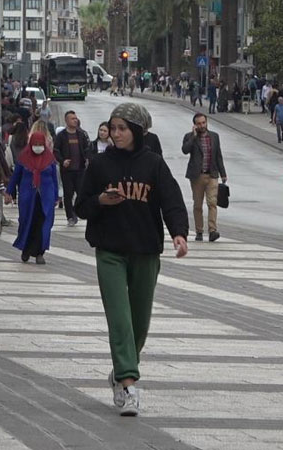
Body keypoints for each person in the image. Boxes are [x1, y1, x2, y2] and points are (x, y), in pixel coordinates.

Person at [75, 102, 189, 417]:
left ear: (136, 131)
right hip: (109, 250)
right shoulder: (99, 164)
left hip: (145, 250)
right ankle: (128, 384)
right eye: (113, 128)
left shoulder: (153, 164)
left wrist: (179, 233)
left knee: (139, 323)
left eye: (122, 128)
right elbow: (81, 204)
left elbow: (172, 200)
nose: (116, 134)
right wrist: (99, 200)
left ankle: (120, 370)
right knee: (120, 319)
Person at [4, 132, 58, 264]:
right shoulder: (24, 158)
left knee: (43, 224)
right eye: (36, 144)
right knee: (26, 222)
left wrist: (57, 196)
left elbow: (54, 179)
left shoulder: (50, 158)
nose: (38, 147)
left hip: (46, 197)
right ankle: (26, 249)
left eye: (40, 144)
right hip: (28, 197)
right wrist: (9, 192)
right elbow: (16, 176)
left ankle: (40, 252)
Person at [182, 113, 227, 242]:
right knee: (197, 205)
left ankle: (212, 230)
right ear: (195, 125)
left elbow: (218, 155)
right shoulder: (189, 136)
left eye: (203, 123)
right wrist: (193, 137)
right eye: (199, 123)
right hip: (197, 176)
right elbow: (185, 150)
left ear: (207, 122)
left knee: (212, 203)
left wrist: (223, 173)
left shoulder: (214, 136)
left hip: (212, 174)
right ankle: (199, 231)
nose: (202, 125)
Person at [54, 110, 90, 226]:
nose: (75, 120)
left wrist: (87, 159)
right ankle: (70, 216)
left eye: (75, 118)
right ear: (66, 120)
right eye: (72, 119)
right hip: (67, 171)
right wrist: (62, 160)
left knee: (80, 193)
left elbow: (87, 148)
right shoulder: (61, 136)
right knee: (68, 194)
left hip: (80, 170)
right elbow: (56, 150)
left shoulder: (81, 134)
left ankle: (76, 211)